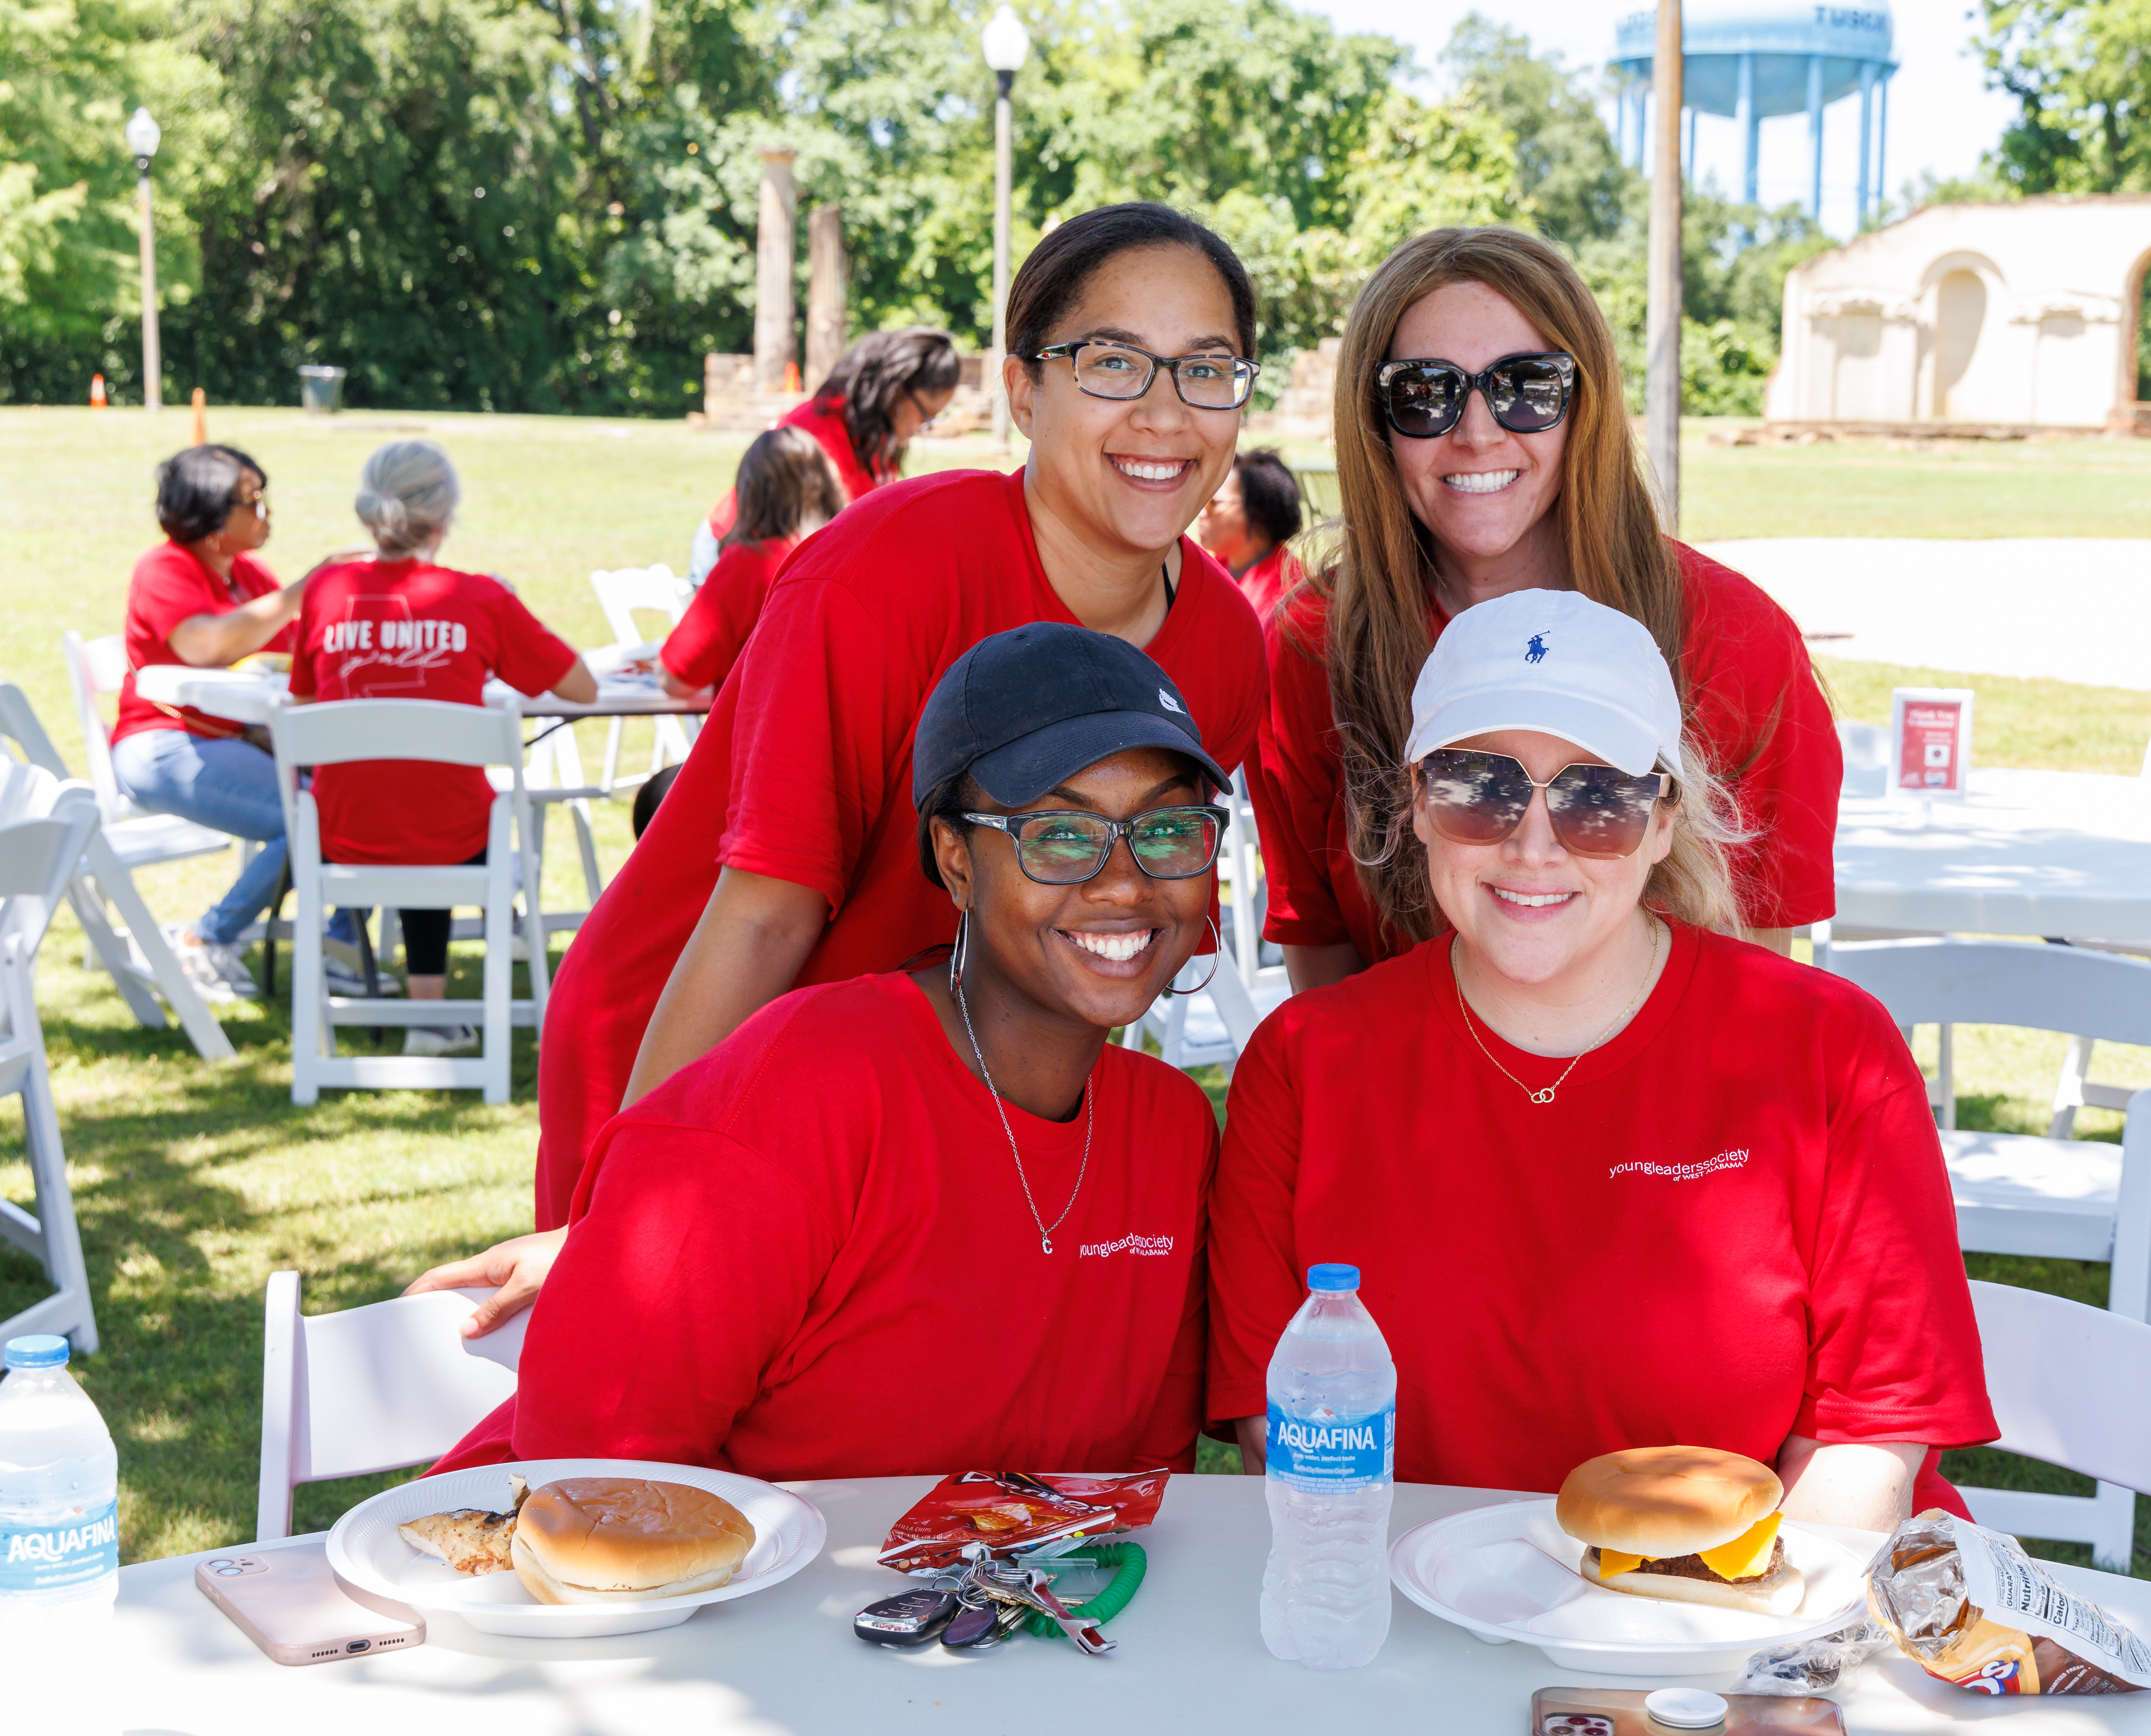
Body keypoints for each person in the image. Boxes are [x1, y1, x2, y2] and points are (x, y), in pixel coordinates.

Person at [407, 201, 1271, 1333]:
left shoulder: (1226, 646)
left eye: (1206, 369)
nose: (1164, 413)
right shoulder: (879, 576)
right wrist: (630, 1203)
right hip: (692, 1036)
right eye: (1112, 362)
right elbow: (764, 915)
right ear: (1022, 391)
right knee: (660, 1394)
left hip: (920, 1076)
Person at [1210, 593, 1995, 1525]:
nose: (1533, 845)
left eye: (1597, 798)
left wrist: (1705, 1607)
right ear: (1418, 802)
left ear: (1662, 821)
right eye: (1481, 787)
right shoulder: (1304, 1065)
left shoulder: (1831, 1049)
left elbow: (1868, 1442)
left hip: (1751, 1595)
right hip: (1403, 1590)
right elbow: (1282, 1438)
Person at [430, 626, 1230, 1476]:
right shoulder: (806, 1091)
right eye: (1061, 833)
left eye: (1169, 828)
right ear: (957, 861)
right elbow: (593, 1471)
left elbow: (1142, 1496)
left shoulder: (1171, 1133)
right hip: (543, 1540)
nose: (1125, 882)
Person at [1252, 227, 1841, 994]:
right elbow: (1325, 977)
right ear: (1374, 421)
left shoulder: (1735, 637)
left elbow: (1755, 984)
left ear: (1583, 404)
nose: (1477, 433)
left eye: (1527, 387)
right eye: (1424, 393)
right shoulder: (1313, 644)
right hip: (1406, 1076)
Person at [288, 442, 597, 1054]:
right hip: (456, 840)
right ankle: (441, 1005)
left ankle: (429, 1013)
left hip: (342, 836)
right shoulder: (480, 598)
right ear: (445, 515)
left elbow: (301, 702)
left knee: (404, 798)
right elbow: (582, 688)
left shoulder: (326, 590)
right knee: (439, 807)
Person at [109, 445, 320, 998]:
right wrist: (299, 595)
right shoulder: (164, 569)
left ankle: (343, 944)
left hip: (244, 739)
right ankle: (204, 941)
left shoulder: (249, 573)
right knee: (313, 817)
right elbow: (203, 644)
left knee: (361, 796)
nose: (266, 511)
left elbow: (295, 653)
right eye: (253, 500)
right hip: (165, 743)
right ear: (209, 516)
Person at [687, 327, 959, 583]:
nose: (924, 428)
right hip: (737, 561)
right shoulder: (816, 435)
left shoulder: (875, 434)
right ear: (897, 390)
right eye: (927, 415)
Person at [658, 429, 849, 698]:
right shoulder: (849, 559)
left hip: (766, 722)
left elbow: (677, 678)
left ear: (750, 493)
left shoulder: (749, 563)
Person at [1195, 447, 1305, 622]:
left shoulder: (1290, 593)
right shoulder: (1216, 568)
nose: (1201, 513)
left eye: (1214, 503)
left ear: (1256, 514)